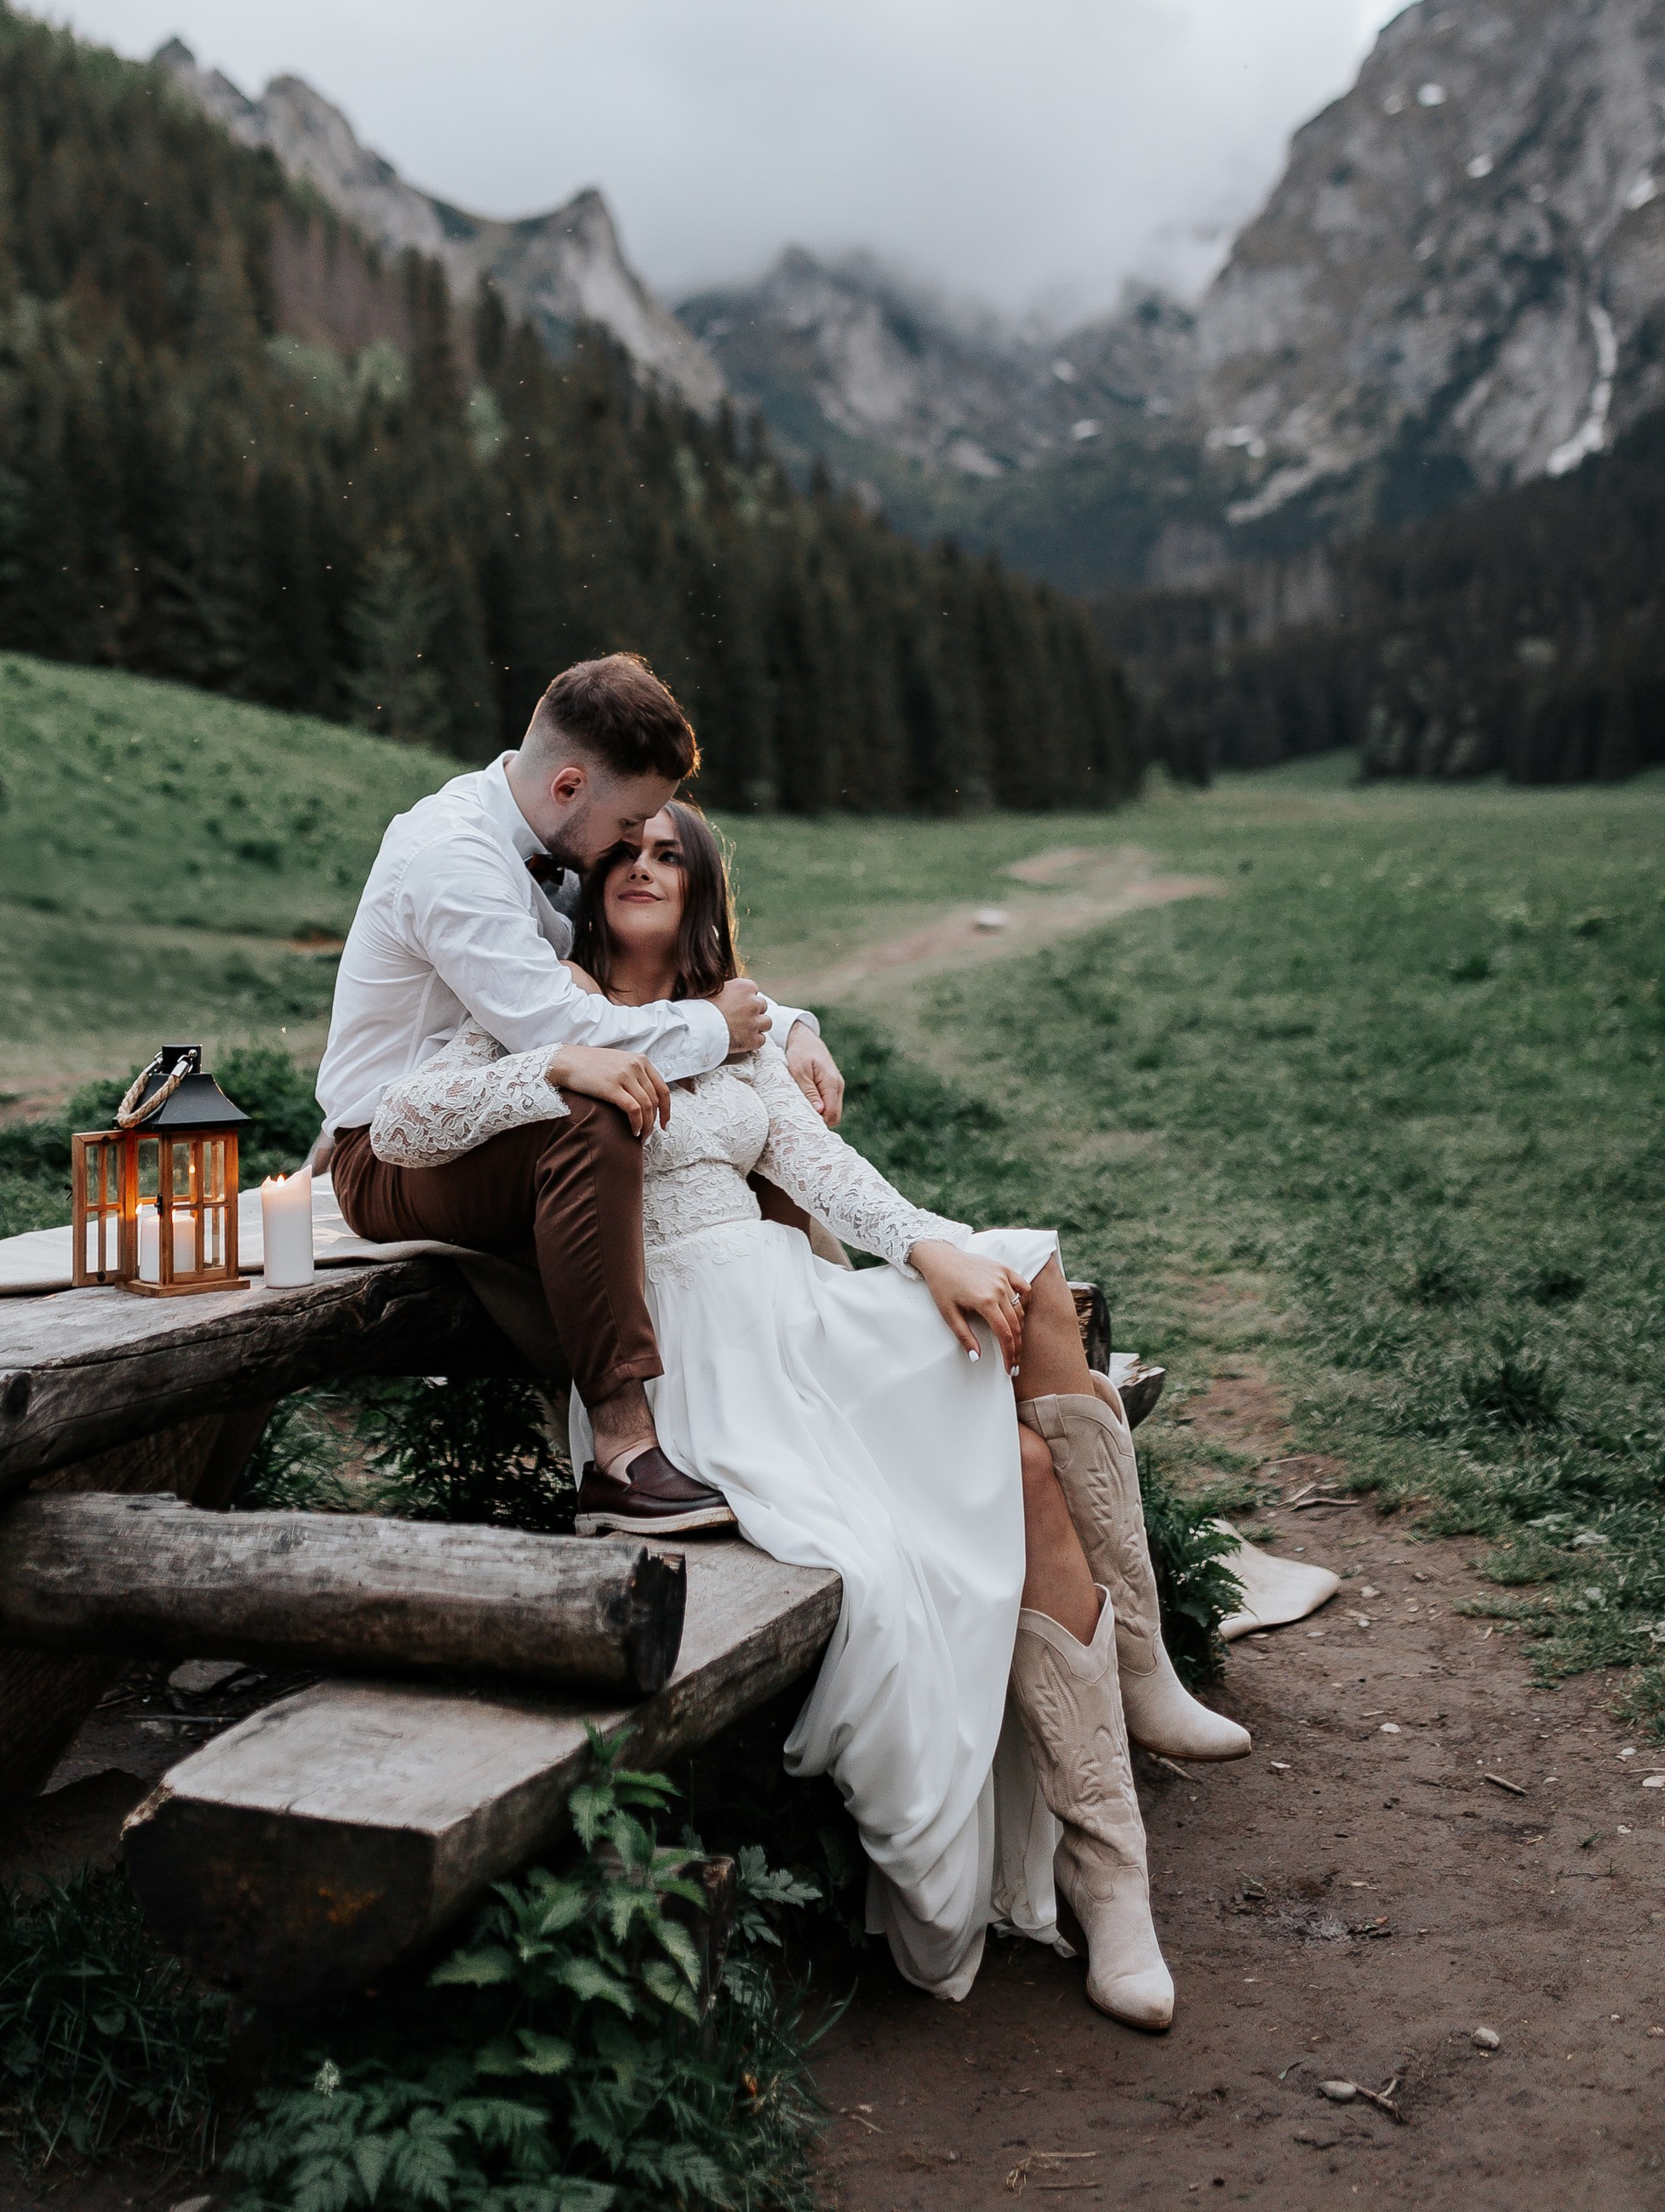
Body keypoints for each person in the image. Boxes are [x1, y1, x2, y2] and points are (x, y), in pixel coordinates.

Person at [368, 802, 1251, 2023]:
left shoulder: (735, 1036)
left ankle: (1115, 1877)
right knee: (952, 1526)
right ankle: (1121, 1733)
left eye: (668, 853)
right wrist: (555, 1064)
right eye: (623, 850)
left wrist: (926, 1246)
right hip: (686, 1361)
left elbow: (821, 1169)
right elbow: (399, 1122)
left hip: (798, 1308)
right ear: (588, 877)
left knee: (1019, 1308)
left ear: (702, 888)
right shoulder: (538, 1004)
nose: (640, 864)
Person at [317, 654, 849, 1537]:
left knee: (733, 1135)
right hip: (389, 1149)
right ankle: (624, 1452)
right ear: (568, 785)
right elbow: (569, 1034)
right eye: (631, 820)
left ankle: (796, 1385)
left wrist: (785, 1023)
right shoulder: (452, 860)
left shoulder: (557, 832)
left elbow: (637, 979)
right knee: (594, 1116)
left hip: (502, 1123)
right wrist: (722, 1030)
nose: (633, 843)